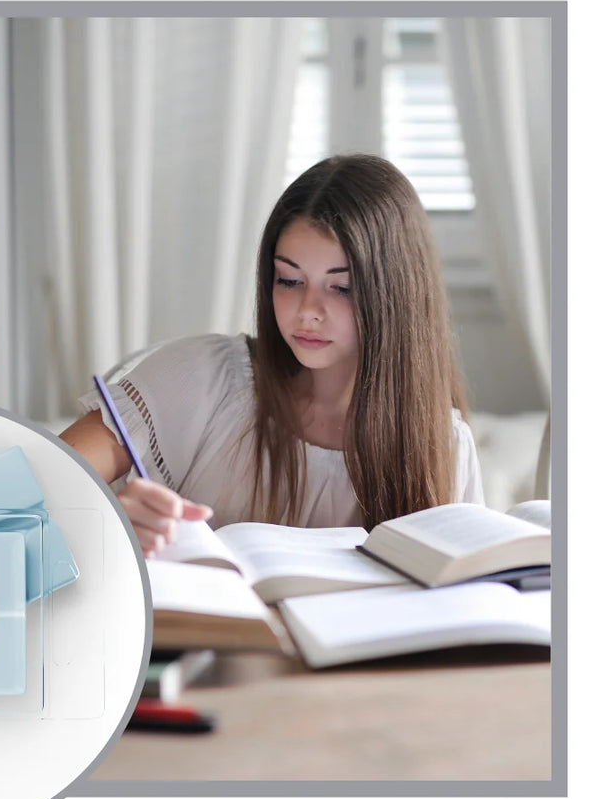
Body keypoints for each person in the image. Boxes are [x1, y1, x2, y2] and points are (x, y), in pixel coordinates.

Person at [60, 154, 484, 555]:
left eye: (342, 287)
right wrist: (106, 522)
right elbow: (20, 490)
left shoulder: (442, 446)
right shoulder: (202, 378)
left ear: (396, 296)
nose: (307, 312)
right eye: (289, 280)